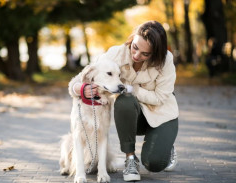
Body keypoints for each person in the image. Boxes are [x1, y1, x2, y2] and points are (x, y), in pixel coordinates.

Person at [68, 20, 179, 181]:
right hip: (131, 114)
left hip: (161, 113)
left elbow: (160, 97)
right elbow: (80, 78)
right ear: (132, 39)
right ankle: (130, 159)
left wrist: (132, 89)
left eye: (145, 54)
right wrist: (79, 88)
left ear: (155, 53)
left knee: (154, 163)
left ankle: (166, 144)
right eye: (135, 47)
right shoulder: (116, 54)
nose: (136, 55)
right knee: (123, 101)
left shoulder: (166, 60)